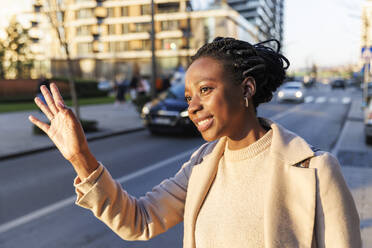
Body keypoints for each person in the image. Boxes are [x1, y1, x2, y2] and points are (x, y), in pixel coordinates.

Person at [28, 37, 361, 248]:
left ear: (246, 89)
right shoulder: (201, 167)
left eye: (205, 90)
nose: (192, 106)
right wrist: (80, 156)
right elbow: (139, 220)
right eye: (189, 96)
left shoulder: (314, 170)